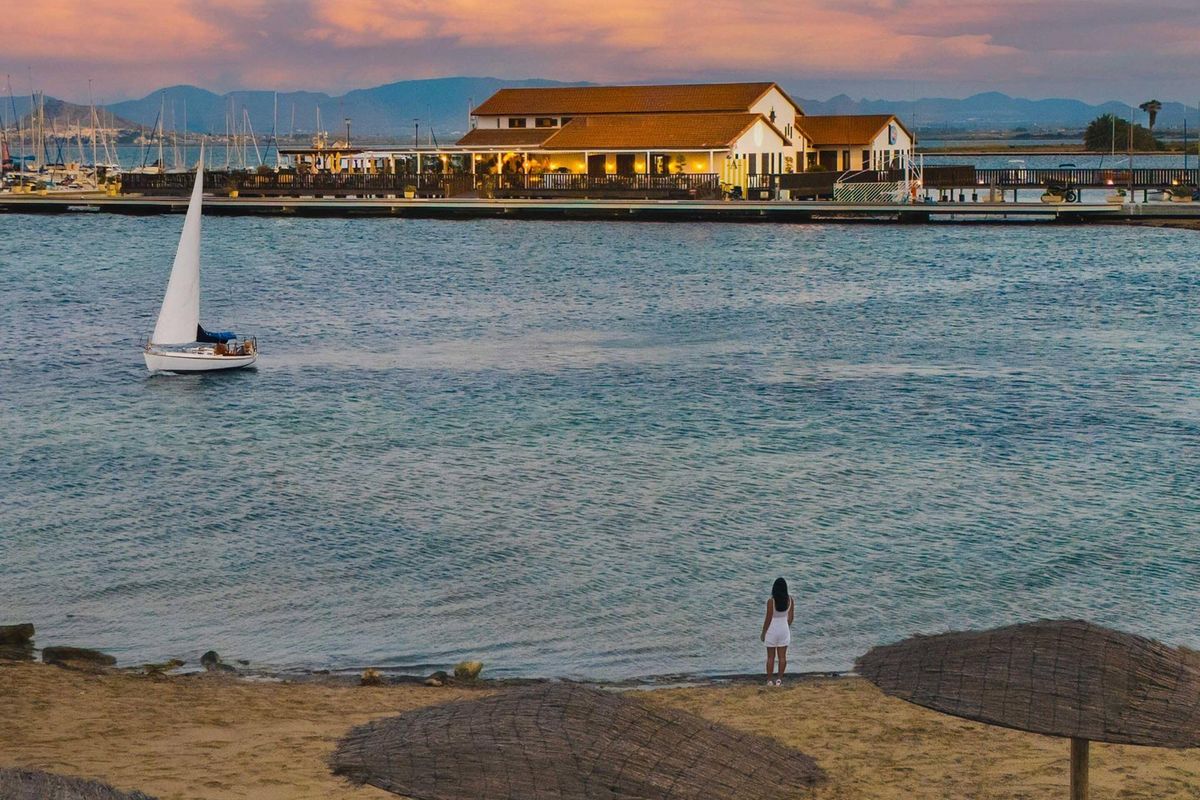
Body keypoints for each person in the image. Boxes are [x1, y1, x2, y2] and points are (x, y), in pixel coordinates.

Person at [760, 577, 793, 686]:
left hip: (772, 630)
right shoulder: (790, 600)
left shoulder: (771, 601)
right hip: (784, 629)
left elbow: (768, 618)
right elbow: (791, 618)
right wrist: (786, 627)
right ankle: (779, 680)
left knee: (770, 657)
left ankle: (769, 680)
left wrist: (763, 632)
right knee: (782, 657)